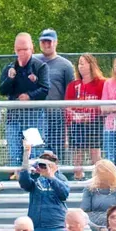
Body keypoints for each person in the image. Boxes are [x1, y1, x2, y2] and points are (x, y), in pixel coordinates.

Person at [0, 33, 49, 175]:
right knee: (14, 152)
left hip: (34, 117)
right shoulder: (9, 68)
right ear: (14, 50)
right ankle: (17, 180)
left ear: (32, 48)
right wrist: (10, 78)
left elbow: (45, 89)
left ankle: (36, 181)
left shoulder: (40, 66)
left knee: (35, 153)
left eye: (25, 49)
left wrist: (29, 96)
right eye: (19, 50)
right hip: (13, 118)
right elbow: (2, 90)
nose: (22, 53)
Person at [64, 55, 105, 180]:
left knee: (95, 152)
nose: (80, 66)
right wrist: (76, 116)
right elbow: (68, 106)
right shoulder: (73, 85)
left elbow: (104, 104)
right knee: (78, 152)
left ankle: (99, 178)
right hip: (77, 124)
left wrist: (90, 114)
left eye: (83, 63)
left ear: (91, 65)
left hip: (95, 123)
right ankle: (78, 176)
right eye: (79, 63)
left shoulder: (101, 83)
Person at [38, 28, 74, 162]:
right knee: (37, 151)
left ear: (56, 42)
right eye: (43, 42)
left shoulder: (66, 65)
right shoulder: (33, 61)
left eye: (49, 41)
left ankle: (57, 173)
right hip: (36, 116)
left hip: (57, 116)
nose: (46, 45)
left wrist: (67, 121)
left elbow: (71, 94)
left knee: (56, 153)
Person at [81, 159, 116, 231]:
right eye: (99, 173)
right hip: (93, 227)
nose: (102, 177)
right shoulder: (89, 189)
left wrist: (110, 225)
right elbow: (85, 212)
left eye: (104, 174)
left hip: (115, 226)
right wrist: (98, 228)